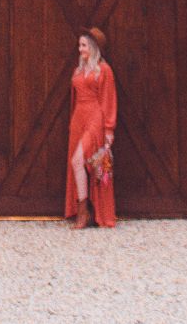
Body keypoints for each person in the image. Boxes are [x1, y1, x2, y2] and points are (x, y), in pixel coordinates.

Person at [64, 27, 117, 229]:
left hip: (95, 117)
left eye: (84, 45)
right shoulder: (78, 70)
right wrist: (72, 122)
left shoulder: (104, 70)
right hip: (78, 118)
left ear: (93, 47)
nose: (80, 49)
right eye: (79, 45)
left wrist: (109, 129)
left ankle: (85, 212)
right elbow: (74, 99)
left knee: (79, 160)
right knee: (77, 164)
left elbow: (108, 99)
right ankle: (83, 209)